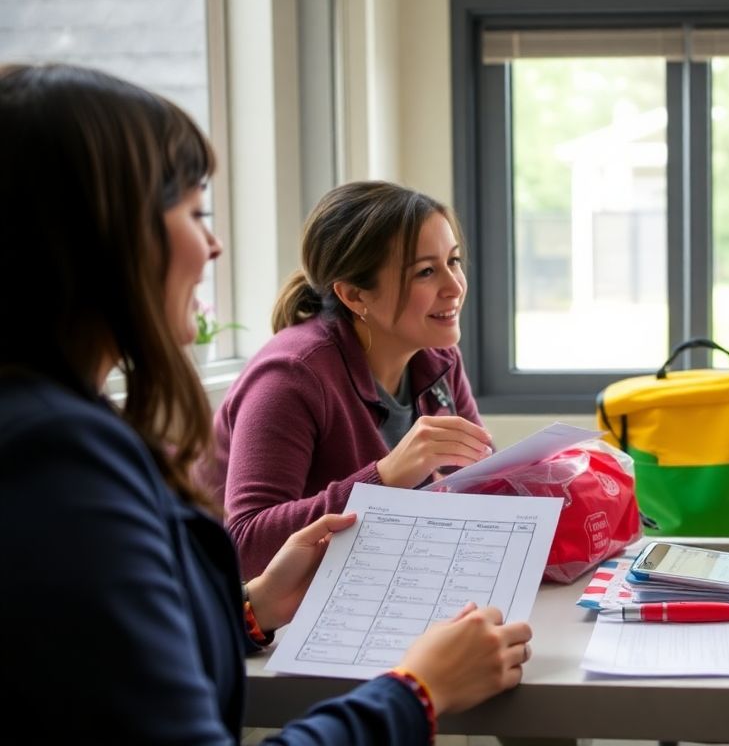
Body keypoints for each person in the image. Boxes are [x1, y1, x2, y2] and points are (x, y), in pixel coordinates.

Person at [0, 63, 532, 742]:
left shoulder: (437, 361)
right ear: (99, 239)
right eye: (193, 212)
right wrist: (416, 694)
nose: (215, 244)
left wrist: (250, 609)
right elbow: (240, 538)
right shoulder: (55, 462)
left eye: (452, 262)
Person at [206, 181, 493, 578]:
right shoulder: (290, 376)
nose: (454, 286)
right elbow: (245, 545)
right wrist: (386, 478)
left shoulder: (437, 358)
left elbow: (482, 479)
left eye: (454, 261)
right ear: (355, 296)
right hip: (229, 617)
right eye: (426, 272)